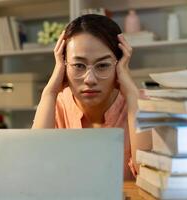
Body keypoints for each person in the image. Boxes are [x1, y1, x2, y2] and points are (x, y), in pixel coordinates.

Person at [32, 14, 151, 180]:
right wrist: (49, 92)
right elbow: (34, 170)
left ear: (120, 64)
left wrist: (132, 94)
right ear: (64, 66)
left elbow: (148, 176)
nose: (90, 79)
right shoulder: (57, 105)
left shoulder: (139, 104)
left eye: (102, 65)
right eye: (78, 66)